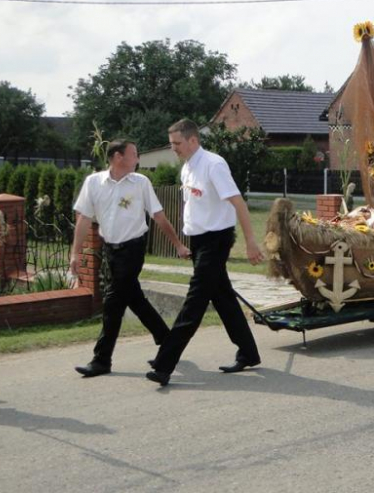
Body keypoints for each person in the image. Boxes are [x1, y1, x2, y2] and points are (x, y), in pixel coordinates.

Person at [147, 119, 264, 386]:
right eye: (171, 143)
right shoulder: (187, 168)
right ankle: (248, 352)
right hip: (200, 242)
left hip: (216, 241)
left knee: (195, 301)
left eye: (176, 143)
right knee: (223, 298)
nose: (173, 148)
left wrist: (250, 242)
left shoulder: (214, 165)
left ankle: (165, 363)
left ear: (193, 141)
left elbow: (238, 203)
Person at [71, 140, 190, 378]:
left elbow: (157, 215)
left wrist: (177, 244)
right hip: (110, 251)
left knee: (113, 302)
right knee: (135, 299)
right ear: (118, 157)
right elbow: (84, 219)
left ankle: (101, 359)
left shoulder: (141, 183)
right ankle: (168, 342)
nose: (138, 159)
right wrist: (74, 252)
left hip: (133, 249)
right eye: (134, 154)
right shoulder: (93, 183)